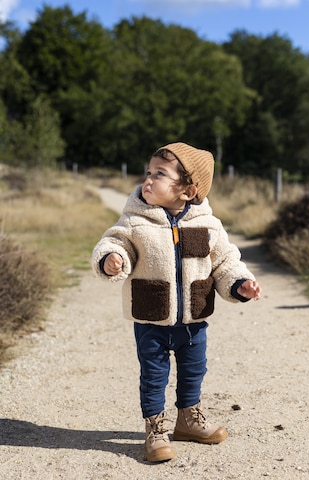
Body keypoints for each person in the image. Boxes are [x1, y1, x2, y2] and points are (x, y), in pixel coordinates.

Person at [92, 142, 261, 463]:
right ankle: (155, 429)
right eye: (149, 172)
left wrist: (241, 285)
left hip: (194, 319)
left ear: (187, 190)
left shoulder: (207, 224)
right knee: (154, 375)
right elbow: (114, 242)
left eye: (160, 174)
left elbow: (225, 263)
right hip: (151, 316)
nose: (149, 180)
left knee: (194, 370)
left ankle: (188, 419)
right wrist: (111, 258)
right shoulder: (135, 219)